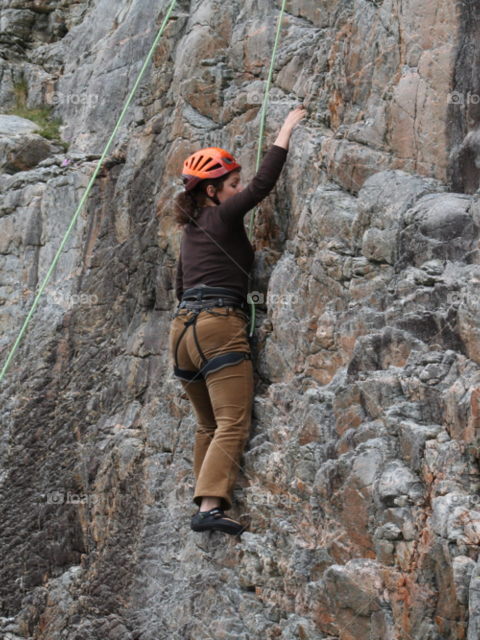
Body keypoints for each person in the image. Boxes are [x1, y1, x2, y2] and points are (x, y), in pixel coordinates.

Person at [169, 106, 307, 536]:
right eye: (231, 184)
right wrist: (286, 129)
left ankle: (202, 494)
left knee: (207, 423)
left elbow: (179, 286)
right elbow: (263, 186)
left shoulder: (192, 231)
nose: (239, 188)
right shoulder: (222, 216)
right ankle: (209, 508)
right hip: (217, 326)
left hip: (182, 334)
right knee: (232, 421)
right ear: (212, 192)